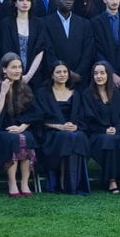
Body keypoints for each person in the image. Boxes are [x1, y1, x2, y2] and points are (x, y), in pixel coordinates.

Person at [0, 53, 42, 198]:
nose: (18, 70)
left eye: (19, 67)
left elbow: (36, 113)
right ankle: (12, 182)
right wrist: (3, 93)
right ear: (5, 69)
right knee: (13, 140)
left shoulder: (26, 88)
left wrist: (22, 127)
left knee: (27, 138)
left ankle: (25, 182)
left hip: (21, 127)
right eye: (14, 67)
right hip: (1, 130)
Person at [36, 61, 92, 195]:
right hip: (51, 133)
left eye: (65, 72)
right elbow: (39, 118)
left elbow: (82, 116)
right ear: (52, 75)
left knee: (79, 136)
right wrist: (59, 126)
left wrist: (75, 126)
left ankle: (75, 182)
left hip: (72, 131)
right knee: (66, 137)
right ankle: (62, 180)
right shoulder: (43, 93)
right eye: (58, 72)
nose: (62, 75)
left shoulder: (76, 94)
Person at [79, 61, 120, 194]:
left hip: (116, 131)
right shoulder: (87, 95)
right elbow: (88, 120)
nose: (99, 76)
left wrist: (116, 129)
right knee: (108, 141)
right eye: (96, 73)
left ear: (108, 75)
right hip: (96, 134)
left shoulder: (117, 94)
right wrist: (104, 130)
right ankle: (111, 180)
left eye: (102, 73)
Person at [0, 0, 47, 84]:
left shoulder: (39, 23)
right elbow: (6, 49)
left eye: (28, 0)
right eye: (21, 0)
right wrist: (16, 73)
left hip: (35, 73)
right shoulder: (6, 23)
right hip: (11, 74)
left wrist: (29, 75)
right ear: (15, 3)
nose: (25, 3)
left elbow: (40, 50)